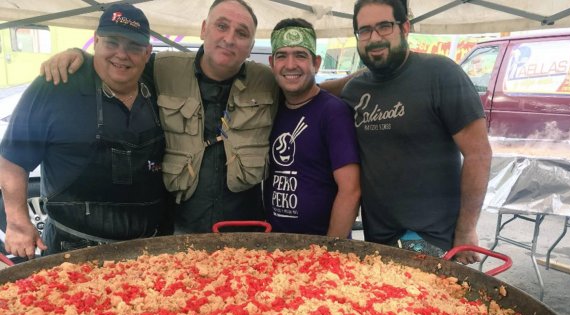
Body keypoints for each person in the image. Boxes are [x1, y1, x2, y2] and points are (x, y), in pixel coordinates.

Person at [42, 0, 280, 234]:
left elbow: (305, 90)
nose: (229, 38)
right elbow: (118, 63)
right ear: (203, 29)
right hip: (176, 236)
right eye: (221, 26)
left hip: (246, 237)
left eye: (242, 33)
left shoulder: (268, 82)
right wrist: (79, 56)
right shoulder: (162, 68)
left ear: (250, 45)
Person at [0, 3, 168, 258]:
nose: (122, 54)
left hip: (147, 252)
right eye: (112, 42)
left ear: (147, 52)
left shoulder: (159, 85)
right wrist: (17, 222)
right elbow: (12, 161)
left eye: (133, 46)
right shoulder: (56, 85)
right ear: (96, 41)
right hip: (72, 251)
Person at [340, 0, 492, 264]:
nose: (374, 38)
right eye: (364, 30)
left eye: (384, 27)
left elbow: (478, 154)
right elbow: (319, 91)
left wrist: (467, 230)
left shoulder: (441, 74)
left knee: (425, 303)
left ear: (405, 27)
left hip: (433, 238)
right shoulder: (354, 90)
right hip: (379, 238)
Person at [265, 18, 360, 237]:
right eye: (282, 56)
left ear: (316, 63)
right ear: (271, 63)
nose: (290, 65)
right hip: (275, 248)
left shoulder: (333, 112)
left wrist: (329, 253)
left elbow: (351, 190)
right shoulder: (271, 109)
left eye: (300, 55)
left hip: (320, 250)